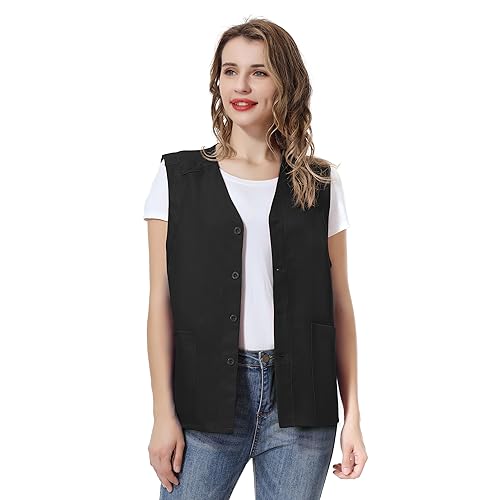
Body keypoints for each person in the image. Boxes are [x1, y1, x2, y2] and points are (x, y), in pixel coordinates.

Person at [144, 17, 367, 499]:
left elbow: (340, 304)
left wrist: (352, 416)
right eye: (230, 71)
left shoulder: (320, 184)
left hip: (302, 405)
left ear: (285, 82)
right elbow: (161, 301)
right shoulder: (178, 177)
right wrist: (163, 414)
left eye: (258, 72)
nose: (240, 86)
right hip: (204, 401)